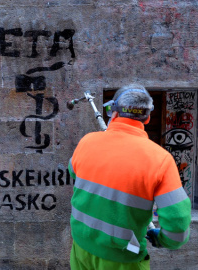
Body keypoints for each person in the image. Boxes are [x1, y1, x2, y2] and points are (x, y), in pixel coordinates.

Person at [68, 84, 191, 270]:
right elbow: (177, 226)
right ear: (148, 117)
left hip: (81, 249)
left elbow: (74, 172)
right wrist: (161, 239)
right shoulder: (160, 159)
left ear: (113, 113)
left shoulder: (87, 142)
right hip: (123, 258)